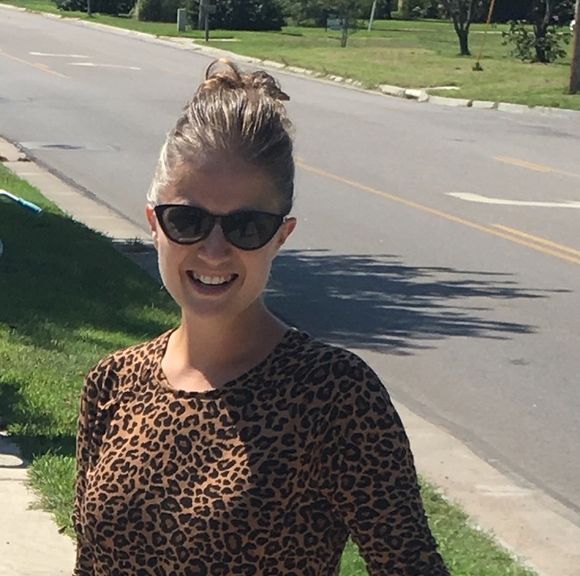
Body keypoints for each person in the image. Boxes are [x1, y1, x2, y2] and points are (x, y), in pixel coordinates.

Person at [73, 58, 449, 575]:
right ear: (154, 225)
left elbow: (411, 566)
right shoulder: (112, 384)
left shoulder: (333, 395)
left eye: (246, 226)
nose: (213, 250)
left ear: (281, 236)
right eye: (187, 220)